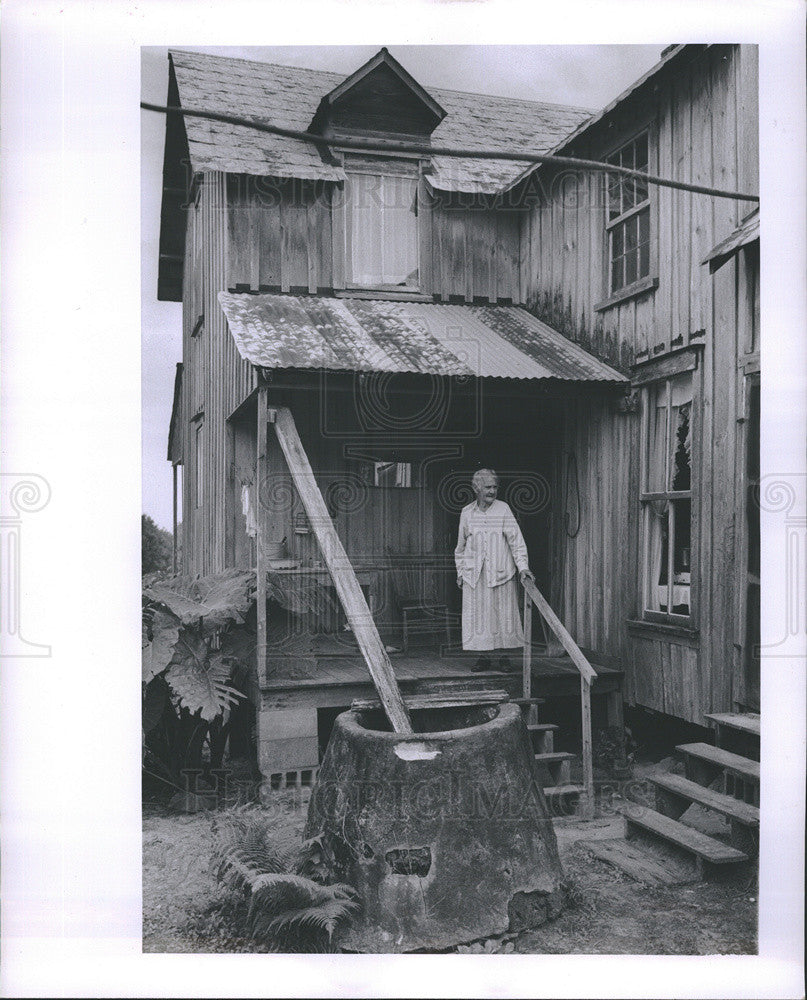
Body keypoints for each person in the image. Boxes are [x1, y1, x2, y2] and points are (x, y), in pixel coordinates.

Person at [454, 469, 535, 672]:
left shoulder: (503, 510)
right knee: (480, 617)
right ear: (476, 488)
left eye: (495, 487)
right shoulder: (467, 512)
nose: (492, 491)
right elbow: (460, 547)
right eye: (488, 487)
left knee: (503, 616)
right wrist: (461, 572)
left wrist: (523, 568)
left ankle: (505, 657)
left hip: (501, 573)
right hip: (476, 574)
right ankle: (484, 658)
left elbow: (517, 542)